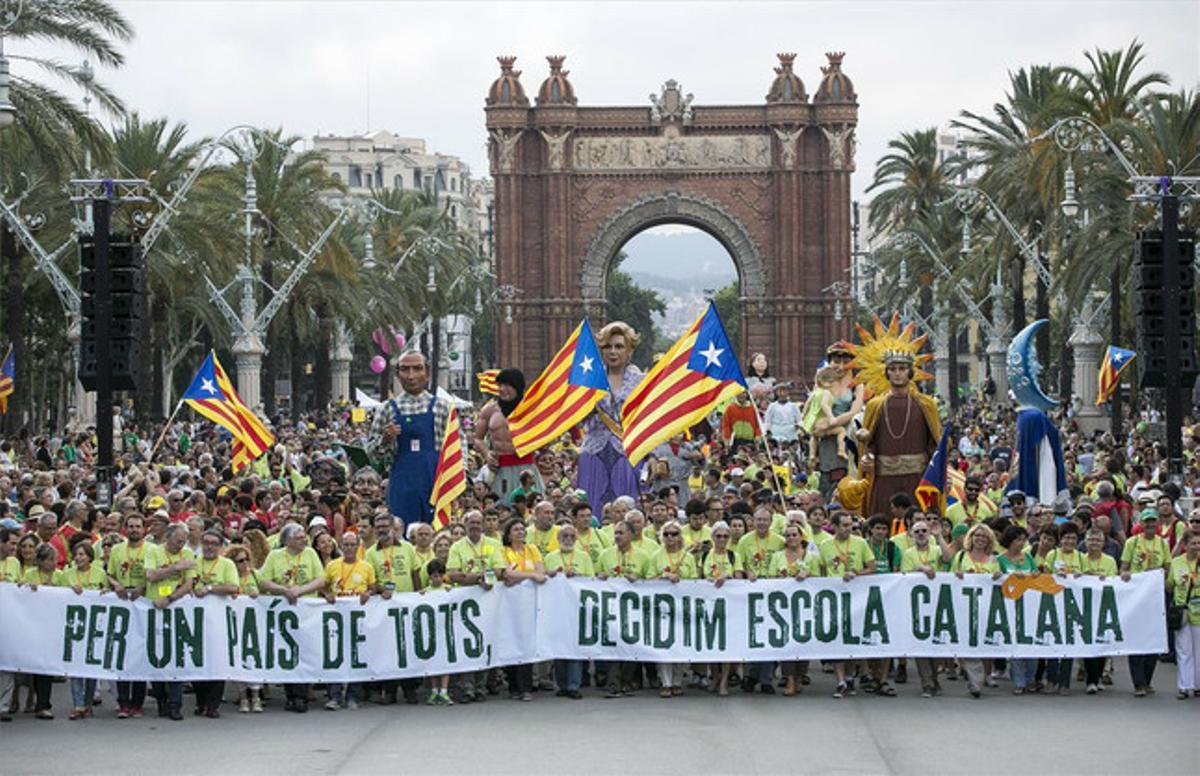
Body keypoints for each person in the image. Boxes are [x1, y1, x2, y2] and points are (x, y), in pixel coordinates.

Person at [368, 350, 455, 525]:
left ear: (428, 373)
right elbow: (370, 453)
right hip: (402, 485)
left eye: (417, 369)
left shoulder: (443, 407)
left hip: (436, 483)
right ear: (397, 374)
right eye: (405, 370)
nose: (411, 375)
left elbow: (459, 448)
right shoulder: (386, 409)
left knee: (437, 534)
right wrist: (385, 440)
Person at [860, 352, 941, 517]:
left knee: (918, 523)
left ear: (910, 372)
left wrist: (940, 469)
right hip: (884, 477)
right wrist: (867, 456)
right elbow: (869, 442)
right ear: (887, 373)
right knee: (882, 523)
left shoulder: (926, 404)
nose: (897, 373)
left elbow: (934, 442)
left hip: (917, 477)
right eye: (893, 369)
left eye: (902, 368)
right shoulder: (875, 405)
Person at [577, 322, 644, 514]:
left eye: (619, 346)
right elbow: (577, 418)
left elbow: (649, 421)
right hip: (593, 453)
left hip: (627, 453)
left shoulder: (642, 381)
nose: (613, 352)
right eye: (607, 347)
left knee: (626, 511)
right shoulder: (588, 379)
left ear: (629, 350)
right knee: (591, 510)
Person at [259, 523, 326, 712]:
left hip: (307, 611)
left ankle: (302, 694)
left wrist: (300, 590)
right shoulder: (275, 556)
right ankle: (291, 694)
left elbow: (320, 579)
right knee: (288, 652)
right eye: (298, 537)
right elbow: (263, 581)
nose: (304, 539)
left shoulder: (311, 554)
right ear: (287, 540)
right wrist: (284, 590)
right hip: (283, 612)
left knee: (305, 651)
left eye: (304, 536)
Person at [817, 511, 876, 698]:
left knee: (852, 639)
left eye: (850, 525)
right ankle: (840, 680)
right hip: (834, 599)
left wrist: (857, 574)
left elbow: (872, 568)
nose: (848, 528)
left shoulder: (860, 543)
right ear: (834, 526)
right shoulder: (825, 545)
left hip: (856, 598)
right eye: (844, 525)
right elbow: (821, 571)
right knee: (836, 639)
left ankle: (850, 675)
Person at [143, 523, 196, 721]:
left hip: (176, 609)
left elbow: (188, 584)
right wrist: (175, 568)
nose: (181, 545)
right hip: (154, 608)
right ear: (168, 537)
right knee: (157, 657)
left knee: (175, 658)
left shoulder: (188, 554)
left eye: (183, 542)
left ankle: (175, 704)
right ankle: (161, 702)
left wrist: (170, 598)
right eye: (177, 541)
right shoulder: (153, 551)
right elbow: (151, 576)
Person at [595, 520, 651, 697]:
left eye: (622, 533)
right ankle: (613, 684)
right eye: (616, 533)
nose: (617, 536)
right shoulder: (605, 554)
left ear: (632, 535)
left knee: (631, 646)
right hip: (611, 609)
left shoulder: (643, 556)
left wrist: (640, 580)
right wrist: (600, 576)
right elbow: (595, 576)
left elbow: (652, 582)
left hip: (634, 610)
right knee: (613, 646)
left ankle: (626, 681)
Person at [1120, 509, 1171, 697]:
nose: (1150, 525)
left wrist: (1159, 573)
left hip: (1156, 598)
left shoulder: (1162, 544)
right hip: (1137, 597)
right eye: (1147, 522)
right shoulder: (1132, 543)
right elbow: (1124, 568)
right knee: (1137, 639)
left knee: (1154, 640)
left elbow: (1167, 567)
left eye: (1153, 522)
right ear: (1141, 523)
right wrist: (1125, 575)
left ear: (1157, 523)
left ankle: (1147, 681)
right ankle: (1138, 683)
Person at [323, 531, 374, 711]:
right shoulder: (332, 566)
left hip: (358, 619)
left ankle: (353, 696)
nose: (350, 548)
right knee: (336, 657)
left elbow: (373, 588)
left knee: (356, 656)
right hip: (336, 618)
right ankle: (334, 696)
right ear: (341, 546)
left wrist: (369, 593)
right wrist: (327, 595)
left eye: (353, 545)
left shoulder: (366, 567)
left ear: (358, 546)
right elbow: (323, 586)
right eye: (346, 545)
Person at [473, 368, 543, 499]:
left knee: (531, 508)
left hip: (526, 467)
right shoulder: (490, 410)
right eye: (500, 385)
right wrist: (487, 454)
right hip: (499, 469)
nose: (502, 389)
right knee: (500, 509)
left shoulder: (531, 409)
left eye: (507, 385)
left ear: (517, 387)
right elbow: (477, 438)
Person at [769, 523, 822, 696]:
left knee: (803, 641)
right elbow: (770, 578)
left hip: (805, 606)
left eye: (794, 535)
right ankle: (789, 678)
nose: (791, 538)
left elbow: (822, 580)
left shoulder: (812, 557)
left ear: (801, 537)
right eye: (788, 535)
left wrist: (808, 575)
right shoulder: (777, 556)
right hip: (784, 607)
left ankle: (800, 676)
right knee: (787, 643)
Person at [190, 529, 238, 717]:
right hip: (196, 620)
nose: (209, 547)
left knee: (217, 662)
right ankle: (200, 702)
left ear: (220, 546)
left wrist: (209, 588)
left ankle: (213, 705)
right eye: (206, 543)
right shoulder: (194, 562)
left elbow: (233, 586)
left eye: (214, 544)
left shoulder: (227, 564)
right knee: (198, 662)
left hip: (218, 622)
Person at [951, 523, 1002, 698]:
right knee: (968, 643)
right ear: (970, 538)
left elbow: (1000, 582)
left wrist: (997, 577)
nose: (980, 539)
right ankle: (975, 681)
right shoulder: (960, 557)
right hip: (964, 606)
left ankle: (978, 677)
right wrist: (957, 575)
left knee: (981, 643)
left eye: (984, 536)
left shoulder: (993, 560)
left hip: (985, 609)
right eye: (976, 536)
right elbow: (950, 579)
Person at [544, 523, 594, 699]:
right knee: (559, 648)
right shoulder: (550, 557)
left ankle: (574, 685)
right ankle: (562, 684)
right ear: (558, 539)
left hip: (576, 608)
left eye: (572, 537)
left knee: (574, 647)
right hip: (556, 608)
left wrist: (578, 577)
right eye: (564, 536)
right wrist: (551, 575)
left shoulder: (584, 557)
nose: (568, 539)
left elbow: (591, 580)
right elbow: (543, 579)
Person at [648, 520, 698, 698]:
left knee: (681, 644)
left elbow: (694, 581)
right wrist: (664, 576)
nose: (670, 537)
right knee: (664, 645)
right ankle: (666, 682)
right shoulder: (655, 556)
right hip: (662, 609)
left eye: (674, 534)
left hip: (683, 607)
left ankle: (677, 681)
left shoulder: (688, 557)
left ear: (680, 537)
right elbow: (648, 580)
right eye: (667, 534)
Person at [500, 517, 546, 701]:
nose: (520, 532)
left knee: (526, 642)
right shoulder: (503, 551)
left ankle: (525, 687)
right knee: (511, 641)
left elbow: (541, 573)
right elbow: (506, 574)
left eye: (522, 529)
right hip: (508, 604)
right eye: (516, 529)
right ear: (508, 535)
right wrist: (530, 575)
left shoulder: (532, 549)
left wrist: (522, 576)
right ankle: (513, 687)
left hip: (529, 604)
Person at [225, 543, 264, 713]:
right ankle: (242, 697)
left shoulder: (255, 575)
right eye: (240, 561)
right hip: (235, 624)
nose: (245, 563)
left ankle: (256, 696)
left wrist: (259, 595)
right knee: (238, 658)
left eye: (246, 559)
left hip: (255, 623)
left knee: (255, 658)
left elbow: (267, 591)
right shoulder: (230, 578)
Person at [1079, 528, 1118, 694]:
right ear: (1086, 542)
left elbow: (1113, 580)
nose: (1094, 543)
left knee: (1102, 642)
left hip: (1103, 605)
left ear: (1103, 543)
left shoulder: (1109, 561)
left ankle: (1099, 675)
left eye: (1098, 540)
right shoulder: (1079, 559)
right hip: (1084, 606)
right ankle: (1091, 680)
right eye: (1091, 540)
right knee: (1089, 643)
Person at [1168, 530, 1200, 699]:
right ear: (1185, 545)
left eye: (1198, 543)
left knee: (1199, 651)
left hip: (1199, 612)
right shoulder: (1176, 562)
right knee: (1183, 650)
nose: (1196, 546)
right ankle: (1184, 686)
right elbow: (1169, 585)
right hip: (1182, 611)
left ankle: (1197, 685)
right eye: (1193, 543)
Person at [422, 559, 455, 705]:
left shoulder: (448, 589)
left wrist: (451, 591)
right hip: (431, 631)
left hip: (445, 629)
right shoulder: (425, 592)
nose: (437, 579)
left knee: (445, 661)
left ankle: (444, 690)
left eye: (439, 576)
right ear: (429, 577)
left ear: (443, 576)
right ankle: (435, 691)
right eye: (434, 576)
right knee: (433, 662)